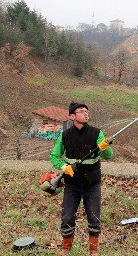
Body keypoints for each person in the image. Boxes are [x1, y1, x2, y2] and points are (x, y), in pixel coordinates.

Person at [50, 102, 113, 256]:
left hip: (92, 184)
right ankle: (66, 248)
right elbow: (54, 156)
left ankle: (93, 250)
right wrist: (64, 167)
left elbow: (109, 156)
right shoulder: (65, 135)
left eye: (86, 111)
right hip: (72, 185)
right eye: (82, 111)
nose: (86, 114)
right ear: (72, 116)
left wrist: (105, 148)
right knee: (67, 216)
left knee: (94, 216)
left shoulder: (97, 133)